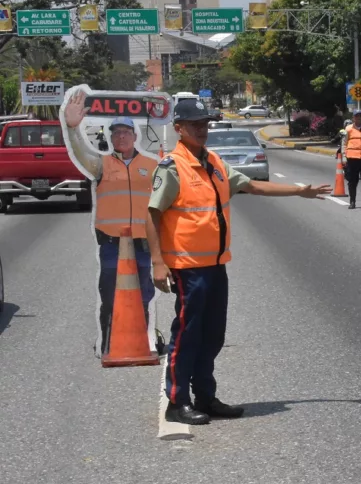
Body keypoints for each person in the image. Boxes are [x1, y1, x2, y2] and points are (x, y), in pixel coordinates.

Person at [146, 98, 331, 426]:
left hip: (216, 265)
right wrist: (158, 263)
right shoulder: (172, 167)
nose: (202, 130)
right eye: (194, 125)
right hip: (188, 267)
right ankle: (177, 402)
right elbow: (152, 213)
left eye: (205, 124)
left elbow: (253, 185)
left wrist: (299, 190)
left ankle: (205, 396)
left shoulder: (214, 162)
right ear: (179, 129)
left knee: (213, 335)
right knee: (187, 334)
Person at [64, 89, 158, 356]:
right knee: (109, 295)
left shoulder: (152, 165)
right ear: (111, 137)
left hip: (142, 244)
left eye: (125, 132)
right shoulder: (101, 164)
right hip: (111, 243)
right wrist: (72, 128)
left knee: (142, 295)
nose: (121, 136)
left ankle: (141, 341)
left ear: (134, 135)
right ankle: (107, 344)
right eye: (116, 133)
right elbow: (81, 151)